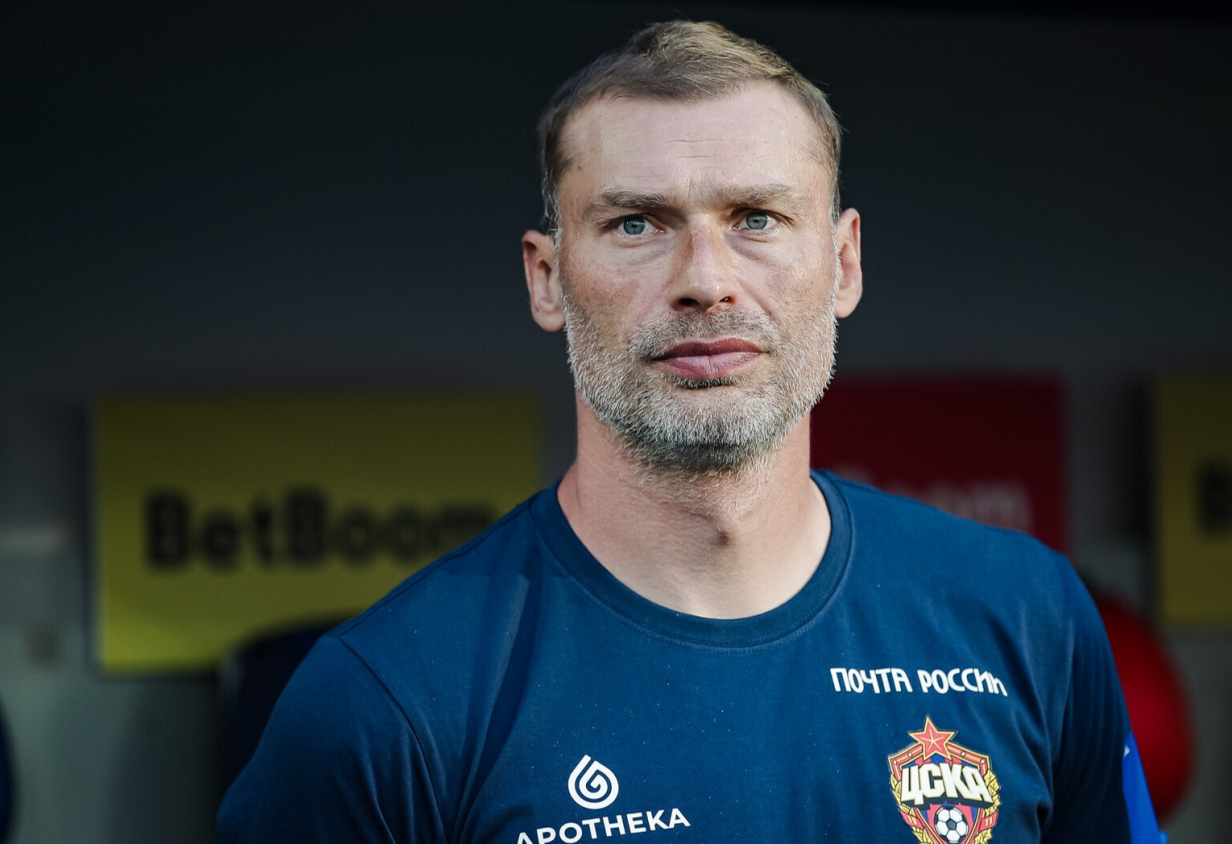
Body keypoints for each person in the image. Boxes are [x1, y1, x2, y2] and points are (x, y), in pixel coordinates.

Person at [218, 20, 1164, 843]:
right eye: (638, 224)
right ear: (547, 279)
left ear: (843, 263)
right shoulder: (382, 699)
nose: (705, 280)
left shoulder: (1026, 615)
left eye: (757, 217)